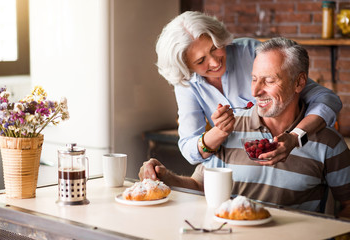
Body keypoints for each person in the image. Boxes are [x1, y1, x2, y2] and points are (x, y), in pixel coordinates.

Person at [142, 37, 350, 218]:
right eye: (253, 79)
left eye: (269, 80)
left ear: (299, 83)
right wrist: (164, 176)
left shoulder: (328, 142)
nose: (256, 91)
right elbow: (201, 186)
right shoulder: (228, 128)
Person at [156, 11, 342, 166]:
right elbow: (190, 150)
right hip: (234, 167)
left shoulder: (251, 52)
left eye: (214, 48)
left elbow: (327, 99)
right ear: (186, 67)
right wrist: (218, 132)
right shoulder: (187, 83)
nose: (214, 61)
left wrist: (295, 137)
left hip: (293, 157)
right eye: (200, 60)